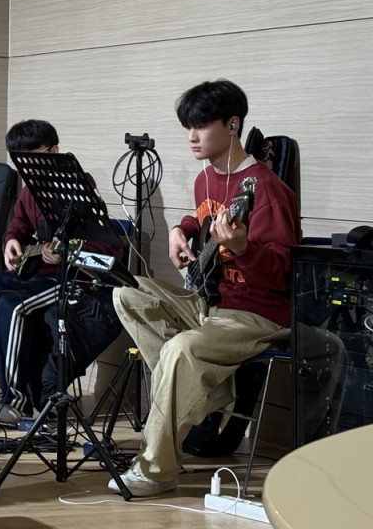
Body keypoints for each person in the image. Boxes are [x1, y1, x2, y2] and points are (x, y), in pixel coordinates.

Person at [107, 79, 300, 497]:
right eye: (187, 127)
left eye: (201, 126)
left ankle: (157, 469)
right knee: (127, 292)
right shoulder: (205, 179)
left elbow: (285, 276)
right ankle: (206, 390)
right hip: (210, 303)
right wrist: (181, 229)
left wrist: (245, 249)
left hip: (258, 314)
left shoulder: (267, 189)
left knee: (180, 349)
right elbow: (205, 220)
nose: (191, 136)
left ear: (232, 125)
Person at [0, 120, 124, 422]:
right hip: (31, 274)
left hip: (67, 280)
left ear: (55, 151)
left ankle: (15, 401)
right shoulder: (31, 190)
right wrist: (11, 240)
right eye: (22, 162)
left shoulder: (80, 189)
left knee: (12, 305)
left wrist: (67, 252)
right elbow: (19, 224)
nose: (29, 168)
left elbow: (110, 249)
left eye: (36, 158)